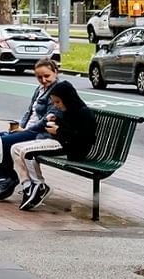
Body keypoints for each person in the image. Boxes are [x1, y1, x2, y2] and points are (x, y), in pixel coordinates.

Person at [8, 79, 95, 211]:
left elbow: (80, 138)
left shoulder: (83, 112)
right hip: (59, 141)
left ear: (68, 98)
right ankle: (27, 186)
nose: (56, 105)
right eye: (54, 102)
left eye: (58, 102)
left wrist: (58, 130)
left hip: (70, 147)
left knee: (27, 152)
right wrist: (56, 121)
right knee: (15, 148)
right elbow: (67, 127)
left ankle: (39, 185)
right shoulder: (68, 111)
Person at [0, 60, 60, 202]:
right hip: (28, 129)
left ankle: (8, 179)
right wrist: (20, 126)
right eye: (39, 77)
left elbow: (48, 118)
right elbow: (29, 112)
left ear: (56, 73)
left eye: (47, 76)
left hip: (40, 133)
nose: (43, 80)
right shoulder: (40, 89)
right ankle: (4, 178)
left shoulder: (58, 91)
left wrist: (25, 130)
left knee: (4, 141)